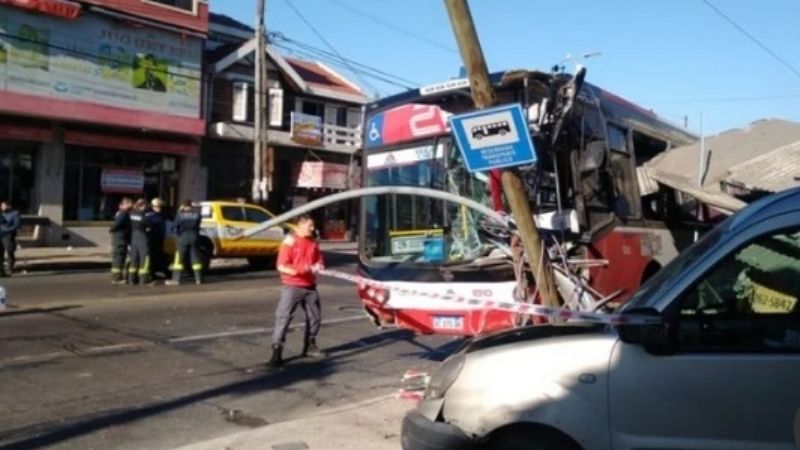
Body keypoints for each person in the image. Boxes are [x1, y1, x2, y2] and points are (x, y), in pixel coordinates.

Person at [268, 214, 326, 368]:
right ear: (300, 225)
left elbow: (319, 259)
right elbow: (282, 266)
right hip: (292, 286)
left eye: (313, 226)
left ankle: (310, 346)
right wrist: (304, 269)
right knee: (284, 318)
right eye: (310, 226)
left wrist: (319, 265)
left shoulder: (313, 242)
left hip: (310, 287)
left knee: (315, 318)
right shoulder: (290, 241)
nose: (313, 229)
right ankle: (276, 351)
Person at [166, 200, 203, 286]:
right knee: (195, 257)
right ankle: (198, 279)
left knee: (179, 257)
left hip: (183, 237)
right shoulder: (197, 214)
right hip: (194, 236)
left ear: (183, 206)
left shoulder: (180, 215)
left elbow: (174, 226)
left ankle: (175, 280)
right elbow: (198, 225)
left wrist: (179, 211)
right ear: (191, 205)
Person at [109, 197, 133, 284]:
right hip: (120, 240)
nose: (131, 205)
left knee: (118, 258)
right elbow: (117, 224)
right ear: (123, 205)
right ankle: (116, 279)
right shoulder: (123, 213)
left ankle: (116, 277)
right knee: (119, 258)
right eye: (129, 203)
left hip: (119, 239)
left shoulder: (121, 213)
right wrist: (111, 229)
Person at [128, 198, 151, 285]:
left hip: (133, 237)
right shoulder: (144, 217)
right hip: (142, 237)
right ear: (143, 206)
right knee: (144, 258)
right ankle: (143, 279)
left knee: (134, 258)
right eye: (145, 206)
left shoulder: (131, 214)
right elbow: (148, 228)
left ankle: (131, 279)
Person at [146, 198, 168, 280]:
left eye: (160, 207)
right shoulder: (149, 216)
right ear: (153, 207)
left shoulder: (163, 215)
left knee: (159, 256)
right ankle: (151, 273)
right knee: (152, 257)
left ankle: (157, 271)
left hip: (160, 239)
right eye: (157, 207)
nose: (159, 208)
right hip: (152, 239)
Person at [0, 201, 21, 275]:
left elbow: (17, 225)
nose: (2, 207)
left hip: (8, 235)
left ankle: (10, 268)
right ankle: (1, 271)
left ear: (9, 206)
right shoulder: (1, 214)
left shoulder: (15, 213)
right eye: (1, 206)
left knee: (9, 251)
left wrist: (7, 230)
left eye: (4, 206)